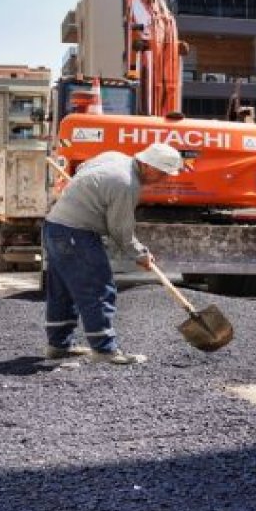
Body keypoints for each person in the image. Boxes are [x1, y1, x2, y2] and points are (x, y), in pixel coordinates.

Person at [41, 143, 184, 364]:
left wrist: (90, 193)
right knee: (98, 288)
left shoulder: (114, 157)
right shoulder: (126, 184)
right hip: (76, 233)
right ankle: (105, 350)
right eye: (162, 173)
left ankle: (58, 346)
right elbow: (119, 229)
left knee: (63, 290)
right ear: (147, 165)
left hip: (55, 227)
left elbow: (83, 169)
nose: (163, 178)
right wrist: (140, 253)